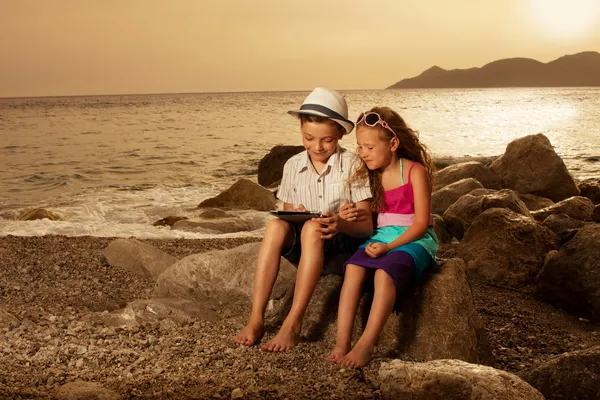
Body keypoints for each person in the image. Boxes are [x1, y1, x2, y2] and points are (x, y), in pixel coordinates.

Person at [232, 88, 373, 352]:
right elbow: (286, 217)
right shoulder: (293, 166)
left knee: (311, 227)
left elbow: (366, 227)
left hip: (339, 247)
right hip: (306, 249)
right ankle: (256, 318)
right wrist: (294, 212)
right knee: (276, 226)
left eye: (327, 140)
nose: (317, 147)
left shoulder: (353, 165)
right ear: (300, 129)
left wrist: (341, 223)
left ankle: (293, 324)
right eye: (309, 138)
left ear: (341, 134)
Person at [325, 106, 438, 368]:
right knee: (353, 267)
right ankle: (342, 342)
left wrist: (388, 247)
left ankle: (366, 344)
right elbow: (370, 218)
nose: (363, 154)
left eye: (369, 147)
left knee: (382, 273)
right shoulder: (369, 176)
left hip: (413, 240)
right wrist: (349, 214)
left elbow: (421, 224)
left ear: (394, 143)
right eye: (360, 147)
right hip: (381, 236)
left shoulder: (414, 172)